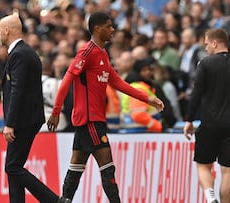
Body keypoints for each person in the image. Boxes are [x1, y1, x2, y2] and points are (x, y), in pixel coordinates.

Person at [47, 12, 164, 202]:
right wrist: (56, 111)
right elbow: (67, 78)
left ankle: (64, 200)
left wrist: (148, 99)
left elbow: (117, 82)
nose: (113, 30)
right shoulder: (86, 52)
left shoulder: (102, 54)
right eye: (109, 26)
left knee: (76, 167)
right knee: (107, 167)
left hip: (90, 120)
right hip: (90, 120)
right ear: (97, 28)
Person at [0, 13, 70, 203]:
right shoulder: (24, 52)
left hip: (23, 120)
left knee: (13, 167)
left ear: (6, 30)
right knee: (14, 166)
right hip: (26, 118)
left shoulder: (20, 54)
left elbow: (17, 90)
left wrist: (10, 123)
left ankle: (55, 200)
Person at [183, 28, 230, 203]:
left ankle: (211, 198)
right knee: (228, 170)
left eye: (207, 44)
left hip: (209, 123)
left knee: (203, 166)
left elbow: (196, 94)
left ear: (215, 43)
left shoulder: (205, 64)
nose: (206, 47)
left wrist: (189, 119)